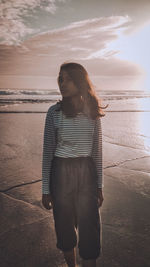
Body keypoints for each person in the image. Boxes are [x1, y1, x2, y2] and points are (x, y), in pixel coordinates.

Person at [42, 62, 107, 267]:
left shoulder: (92, 113)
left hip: (86, 173)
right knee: (64, 225)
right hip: (60, 173)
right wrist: (46, 189)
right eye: (60, 78)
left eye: (68, 78)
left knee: (89, 226)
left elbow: (97, 152)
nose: (62, 83)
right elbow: (48, 153)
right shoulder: (54, 112)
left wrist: (99, 186)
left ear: (80, 81)